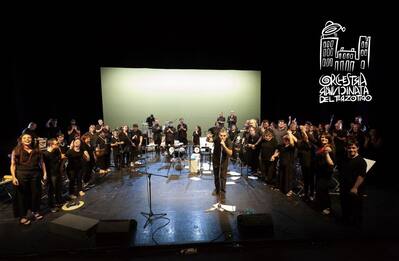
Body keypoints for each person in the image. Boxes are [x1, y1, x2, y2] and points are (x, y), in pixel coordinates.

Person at [10, 133, 47, 225]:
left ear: (32, 139)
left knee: (36, 194)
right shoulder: (16, 150)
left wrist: (45, 173)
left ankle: (35, 211)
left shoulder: (37, 150)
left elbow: (42, 162)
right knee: (22, 196)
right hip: (21, 174)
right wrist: (14, 177)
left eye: (29, 138)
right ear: (21, 140)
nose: (27, 139)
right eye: (25, 138)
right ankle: (22, 216)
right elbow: (13, 165)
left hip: (35, 174)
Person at [339, 139, 367, 226]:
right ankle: (345, 222)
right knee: (345, 206)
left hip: (355, 189)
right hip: (344, 187)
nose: (351, 150)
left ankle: (356, 227)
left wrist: (355, 187)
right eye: (349, 148)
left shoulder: (361, 161)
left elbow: (361, 176)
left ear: (358, 148)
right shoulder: (345, 158)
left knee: (356, 208)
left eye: (353, 148)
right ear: (346, 148)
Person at [211, 128, 233, 204]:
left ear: (226, 136)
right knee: (216, 176)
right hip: (216, 160)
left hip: (224, 161)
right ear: (219, 135)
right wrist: (208, 137)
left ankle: (223, 192)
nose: (222, 137)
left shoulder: (228, 141)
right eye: (221, 135)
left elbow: (230, 153)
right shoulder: (217, 138)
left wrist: (224, 146)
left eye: (224, 136)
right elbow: (210, 140)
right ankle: (217, 190)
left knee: (223, 177)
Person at [43, 138, 64, 212]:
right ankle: (51, 206)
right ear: (51, 145)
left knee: (58, 188)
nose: (58, 145)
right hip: (51, 174)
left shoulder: (56, 150)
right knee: (51, 191)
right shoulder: (45, 154)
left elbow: (60, 159)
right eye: (56, 144)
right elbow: (43, 165)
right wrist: (45, 174)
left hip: (57, 172)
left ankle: (59, 202)